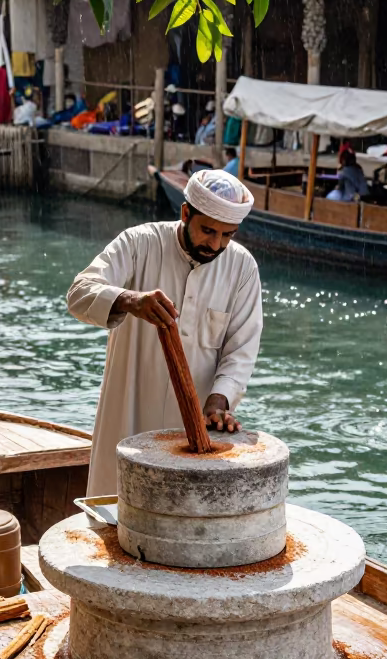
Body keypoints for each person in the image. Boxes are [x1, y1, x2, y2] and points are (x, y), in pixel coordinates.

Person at [67, 168, 262, 495]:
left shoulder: (242, 268)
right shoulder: (139, 243)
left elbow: (240, 351)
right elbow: (79, 292)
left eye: (228, 235)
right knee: (113, 511)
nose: (215, 244)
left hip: (192, 431)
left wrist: (218, 403)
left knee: (181, 524)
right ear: (185, 213)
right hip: (128, 413)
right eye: (208, 231)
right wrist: (130, 300)